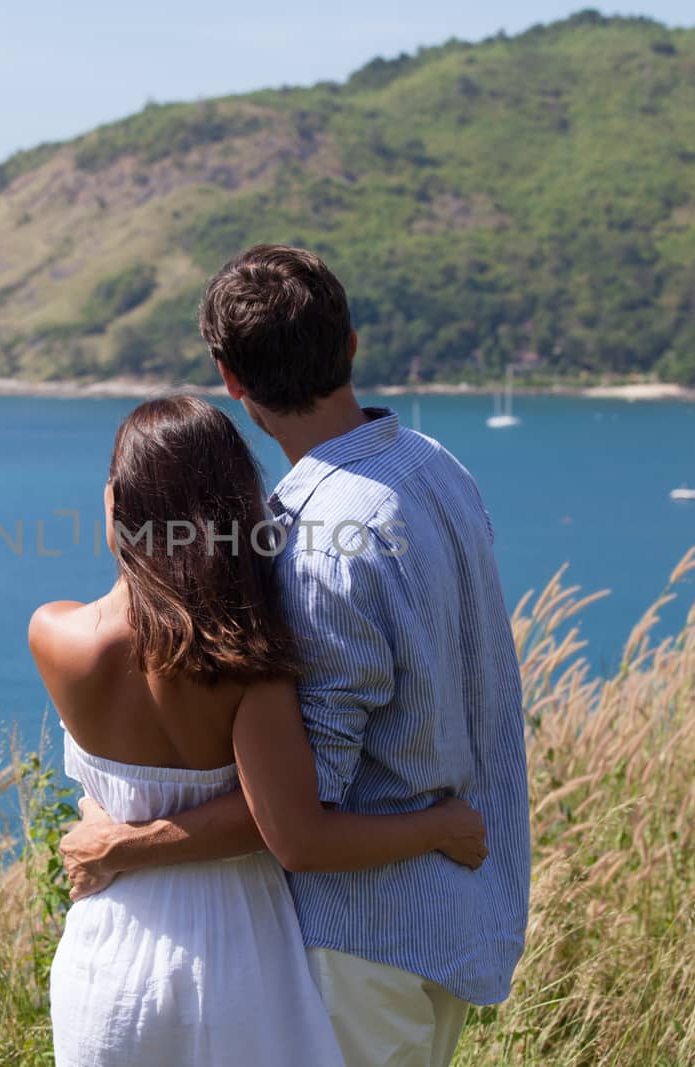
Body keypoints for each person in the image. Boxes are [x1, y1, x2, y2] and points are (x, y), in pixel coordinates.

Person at [59, 245, 532, 1067]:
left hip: (360, 943)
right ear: (350, 343)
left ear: (230, 380)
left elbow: (299, 819)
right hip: (457, 914)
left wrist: (126, 840)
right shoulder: (438, 468)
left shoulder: (311, 548)